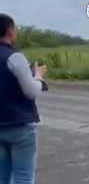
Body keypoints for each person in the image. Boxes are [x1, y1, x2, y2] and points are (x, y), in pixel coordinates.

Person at [0, 14, 48, 184]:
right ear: (9, 31)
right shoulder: (15, 57)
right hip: (19, 127)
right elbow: (31, 92)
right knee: (23, 177)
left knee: (2, 176)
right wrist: (39, 77)